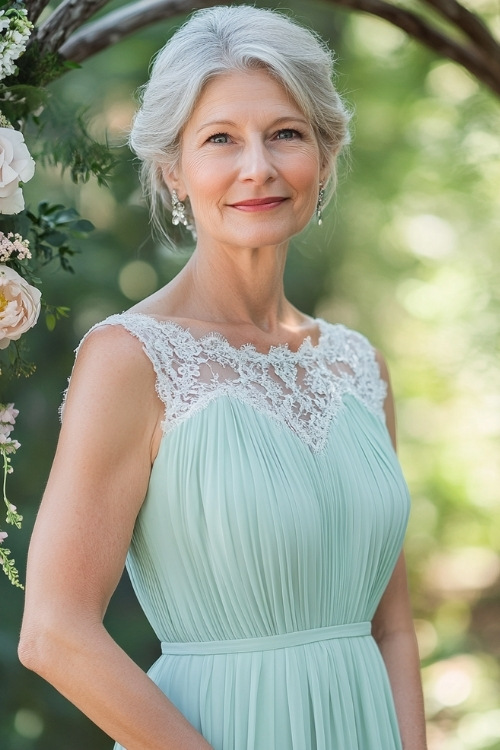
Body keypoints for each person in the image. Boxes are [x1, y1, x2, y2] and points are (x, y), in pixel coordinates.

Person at [18, 5, 428, 750]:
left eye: (286, 134)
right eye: (220, 140)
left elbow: (392, 626)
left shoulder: (358, 364)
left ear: (325, 155)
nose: (258, 168)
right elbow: (54, 634)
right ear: (173, 169)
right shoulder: (129, 359)